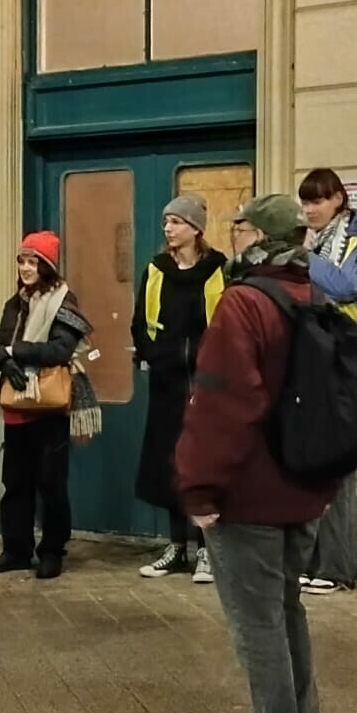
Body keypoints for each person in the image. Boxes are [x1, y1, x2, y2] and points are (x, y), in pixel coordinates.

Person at [175, 194, 341, 713]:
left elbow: (222, 404)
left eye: (240, 226)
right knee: (287, 610)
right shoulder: (315, 298)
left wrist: (198, 486)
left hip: (249, 492)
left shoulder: (244, 304)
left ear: (261, 236)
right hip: (302, 486)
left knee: (258, 623)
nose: (234, 236)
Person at [0, 232, 91, 580]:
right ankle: (16, 550)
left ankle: (53, 550)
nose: (26, 268)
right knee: (15, 482)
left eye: (33, 261)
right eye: (22, 261)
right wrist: (3, 361)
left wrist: (14, 353)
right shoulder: (15, 303)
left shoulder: (63, 302)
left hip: (49, 406)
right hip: (16, 405)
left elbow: (60, 350)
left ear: (47, 266)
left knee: (51, 483)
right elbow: (0, 343)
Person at [131, 193, 229, 585]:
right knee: (170, 462)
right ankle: (177, 546)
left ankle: (207, 549)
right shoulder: (156, 269)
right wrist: (154, 355)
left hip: (207, 381)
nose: (167, 228)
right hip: (168, 381)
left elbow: (225, 322)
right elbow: (141, 320)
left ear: (195, 228)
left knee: (202, 463)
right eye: (166, 222)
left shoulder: (218, 268)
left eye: (175, 222)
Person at [296, 168, 357, 597]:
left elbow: (348, 285)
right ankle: (313, 560)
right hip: (314, 352)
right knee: (312, 453)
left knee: (339, 458)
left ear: (338, 201)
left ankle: (336, 565)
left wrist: (305, 258)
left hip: (347, 355)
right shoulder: (307, 239)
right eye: (305, 202)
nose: (310, 210)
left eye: (317, 201)